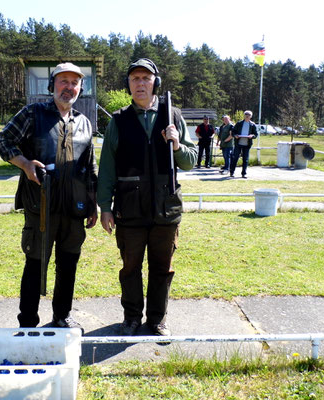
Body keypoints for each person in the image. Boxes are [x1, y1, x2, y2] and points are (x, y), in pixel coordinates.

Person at [0, 62, 98, 332]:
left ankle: (62, 316)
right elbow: (2, 141)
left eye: (74, 83)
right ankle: (27, 323)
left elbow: (90, 168)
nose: (69, 87)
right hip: (40, 205)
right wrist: (25, 163)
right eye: (63, 81)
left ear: (80, 89)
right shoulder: (32, 113)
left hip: (73, 208)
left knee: (68, 263)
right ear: (52, 86)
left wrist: (93, 204)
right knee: (35, 264)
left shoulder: (85, 123)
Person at [97, 58, 197, 337]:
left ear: (155, 82)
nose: (140, 83)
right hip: (129, 208)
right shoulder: (118, 120)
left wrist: (176, 144)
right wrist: (105, 207)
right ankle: (131, 318)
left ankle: (157, 319)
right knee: (130, 268)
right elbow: (107, 168)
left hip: (166, 208)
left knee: (162, 268)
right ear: (128, 85)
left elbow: (189, 161)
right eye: (134, 79)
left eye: (145, 78)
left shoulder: (173, 116)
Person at [229, 110, 258, 179]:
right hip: (238, 144)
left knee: (245, 160)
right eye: (246, 115)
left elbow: (256, 134)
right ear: (244, 116)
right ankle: (232, 172)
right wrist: (235, 135)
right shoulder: (239, 123)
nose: (247, 116)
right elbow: (233, 132)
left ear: (251, 117)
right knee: (235, 158)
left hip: (247, 145)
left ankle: (244, 174)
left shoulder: (253, 125)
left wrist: (252, 136)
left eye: (248, 115)